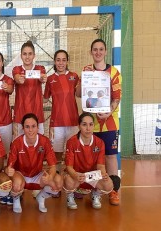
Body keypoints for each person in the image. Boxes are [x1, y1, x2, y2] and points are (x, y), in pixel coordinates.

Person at [79, 38, 122, 205]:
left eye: (101, 49)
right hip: (90, 122)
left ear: (105, 52)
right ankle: (89, 187)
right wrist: (83, 80)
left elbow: (117, 98)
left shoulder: (115, 74)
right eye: (95, 49)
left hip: (109, 122)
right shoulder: (86, 70)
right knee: (89, 157)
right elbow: (78, 94)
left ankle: (113, 190)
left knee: (110, 157)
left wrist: (109, 111)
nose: (98, 52)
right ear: (91, 52)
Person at [5, 113, 63, 213]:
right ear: (23, 128)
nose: (30, 130)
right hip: (21, 175)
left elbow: (53, 165)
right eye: (27, 127)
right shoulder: (16, 143)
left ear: (37, 127)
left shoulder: (44, 141)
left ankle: (41, 197)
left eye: (33, 126)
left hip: (37, 175)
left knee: (58, 182)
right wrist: (8, 171)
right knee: (16, 184)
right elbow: (9, 168)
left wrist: (50, 176)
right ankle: (16, 199)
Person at [63, 112, 113, 209]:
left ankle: (95, 194)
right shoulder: (72, 142)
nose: (88, 128)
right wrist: (75, 175)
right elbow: (69, 167)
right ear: (79, 126)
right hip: (77, 174)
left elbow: (101, 166)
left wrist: (103, 174)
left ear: (93, 126)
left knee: (108, 185)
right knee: (68, 181)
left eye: (91, 124)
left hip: (92, 175)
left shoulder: (100, 142)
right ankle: (70, 196)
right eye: (84, 124)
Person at [43, 50, 80, 178]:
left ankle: (74, 182)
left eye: (64, 60)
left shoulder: (74, 77)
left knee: (73, 152)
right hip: (56, 123)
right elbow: (44, 99)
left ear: (67, 62)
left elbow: (80, 94)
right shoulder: (50, 79)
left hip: (73, 121)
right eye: (58, 60)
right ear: (54, 61)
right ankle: (57, 181)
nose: (61, 63)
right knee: (57, 154)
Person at [12, 41, 47, 138]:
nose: (27, 57)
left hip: (37, 113)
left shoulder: (40, 68)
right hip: (21, 113)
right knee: (21, 144)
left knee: (39, 143)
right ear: (21, 56)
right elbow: (17, 77)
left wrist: (42, 78)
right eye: (24, 54)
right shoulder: (17, 69)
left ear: (34, 55)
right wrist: (19, 79)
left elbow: (42, 76)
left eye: (30, 54)